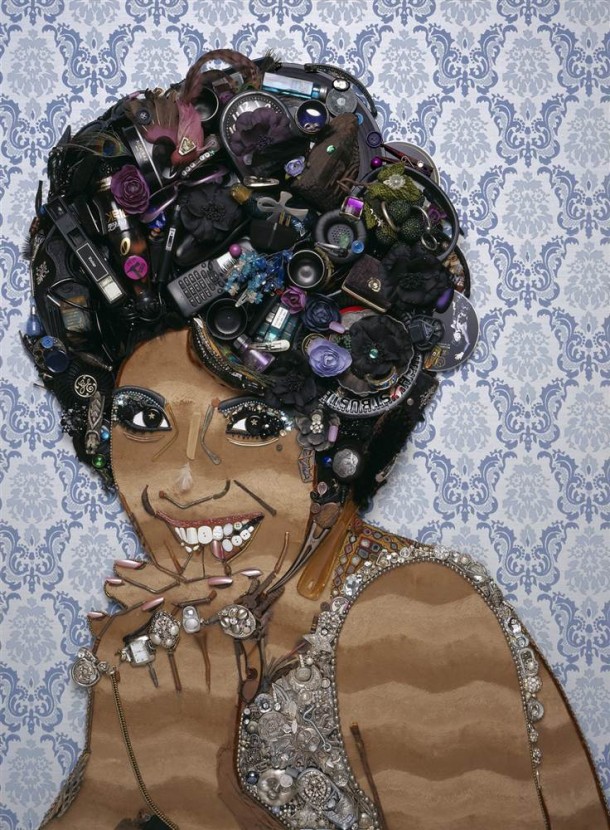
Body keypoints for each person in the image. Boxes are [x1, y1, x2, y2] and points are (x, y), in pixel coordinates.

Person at [24, 52, 608, 830]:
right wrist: (108, 780)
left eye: (252, 425)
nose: (182, 481)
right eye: (143, 419)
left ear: (337, 432)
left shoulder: (417, 619)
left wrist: (204, 798)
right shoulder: (187, 631)